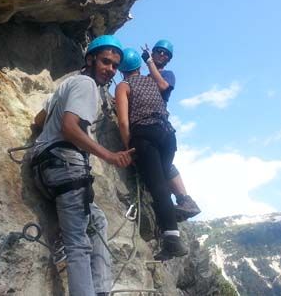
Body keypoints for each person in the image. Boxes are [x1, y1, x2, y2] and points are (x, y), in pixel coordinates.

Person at [30, 35, 135, 296]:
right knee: (78, 244)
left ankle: (100, 290)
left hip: (45, 169)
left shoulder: (66, 87)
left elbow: (38, 120)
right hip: (66, 167)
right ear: (90, 59)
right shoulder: (87, 85)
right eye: (105, 62)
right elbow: (69, 128)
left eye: (114, 65)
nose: (110, 69)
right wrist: (109, 156)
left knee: (97, 220)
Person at [114, 48, 189, 261]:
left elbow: (122, 121)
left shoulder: (123, 86)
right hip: (168, 136)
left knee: (157, 188)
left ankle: (172, 240)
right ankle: (169, 233)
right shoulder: (152, 83)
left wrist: (129, 146)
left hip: (145, 135)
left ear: (122, 70)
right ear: (138, 66)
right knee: (159, 183)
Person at [141, 39, 201, 221]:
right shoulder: (144, 79)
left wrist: (149, 62)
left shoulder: (168, 74)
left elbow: (162, 87)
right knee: (159, 165)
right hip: (147, 125)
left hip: (160, 127)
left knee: (163, 166)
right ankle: (176, 202)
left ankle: (184, 200)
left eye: (165, 54)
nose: (162, 55)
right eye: (159, 51)